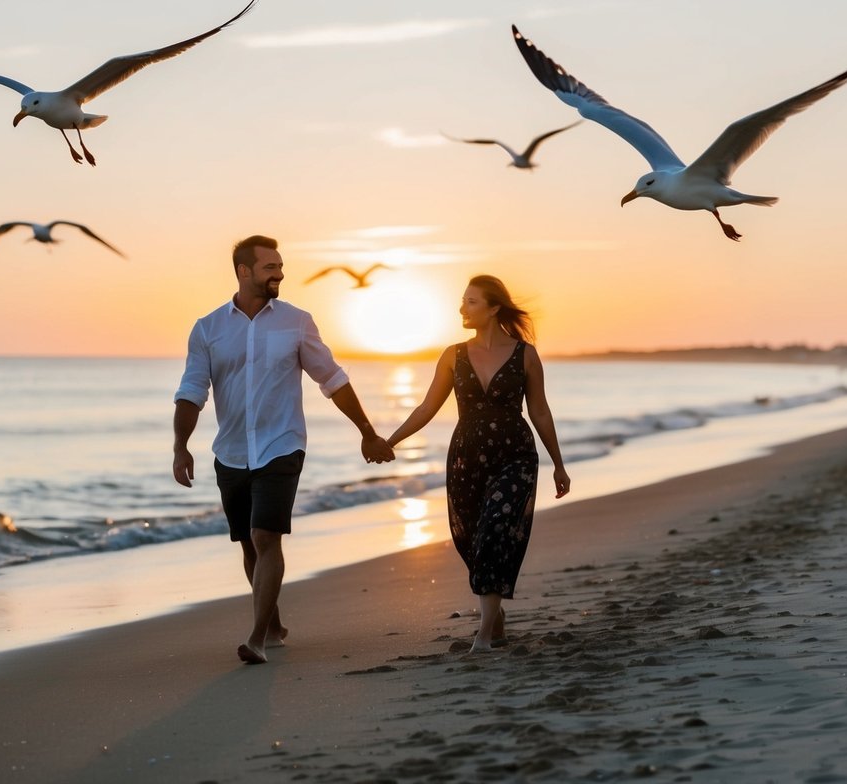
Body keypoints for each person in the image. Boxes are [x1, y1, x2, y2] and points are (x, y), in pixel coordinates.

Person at [172, 235, 395, 665]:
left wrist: (367, 431)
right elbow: (191, 391)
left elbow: (330, 378)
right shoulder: (208, 329)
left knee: (264, 536)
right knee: (249, 546)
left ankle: (257, 638)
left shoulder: (296, 321)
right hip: (232, 451)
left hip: (282, 444)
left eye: (280, 266)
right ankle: (272, 621)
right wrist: (181, 447)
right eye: (270, 267)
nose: (279, 274)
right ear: (244, 271)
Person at [387, 275, 570, 653]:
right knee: (471, 540)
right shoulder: (452, 355)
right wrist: (391, 441)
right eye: (462, 301)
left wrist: (559, 464)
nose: (462, 309)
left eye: (471, 302)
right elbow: (426, 407)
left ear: (493, 307)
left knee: (495, 532)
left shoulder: (525, 354)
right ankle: (495, 618)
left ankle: (483, 637)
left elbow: (539, 411)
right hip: (466, 460)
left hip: (515, 456)